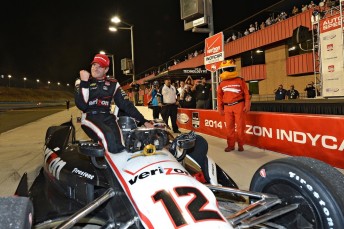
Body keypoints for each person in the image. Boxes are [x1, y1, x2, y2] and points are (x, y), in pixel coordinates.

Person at [75, 54, 153, 154]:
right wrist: (84, 82)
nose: (95, 68)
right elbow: (82, 105)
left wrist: (144, 121)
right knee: (108, 136)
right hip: (89, 117)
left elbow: (126, 105)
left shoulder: (113, 83)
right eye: (94, 65)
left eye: (100, 66)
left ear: (106, 70)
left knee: (120, 144)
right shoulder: (81, 81)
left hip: (108, 117)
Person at [217, 60, 250, 152]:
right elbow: (219, 97)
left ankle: (240, 145)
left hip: (239, 105)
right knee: (229, 128)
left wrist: (247, 104)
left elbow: (246, 94)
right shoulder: (221, 83)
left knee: (240, 127)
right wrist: (220, 108)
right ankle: (231, 145)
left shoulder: (240, 80)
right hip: (227, 107)